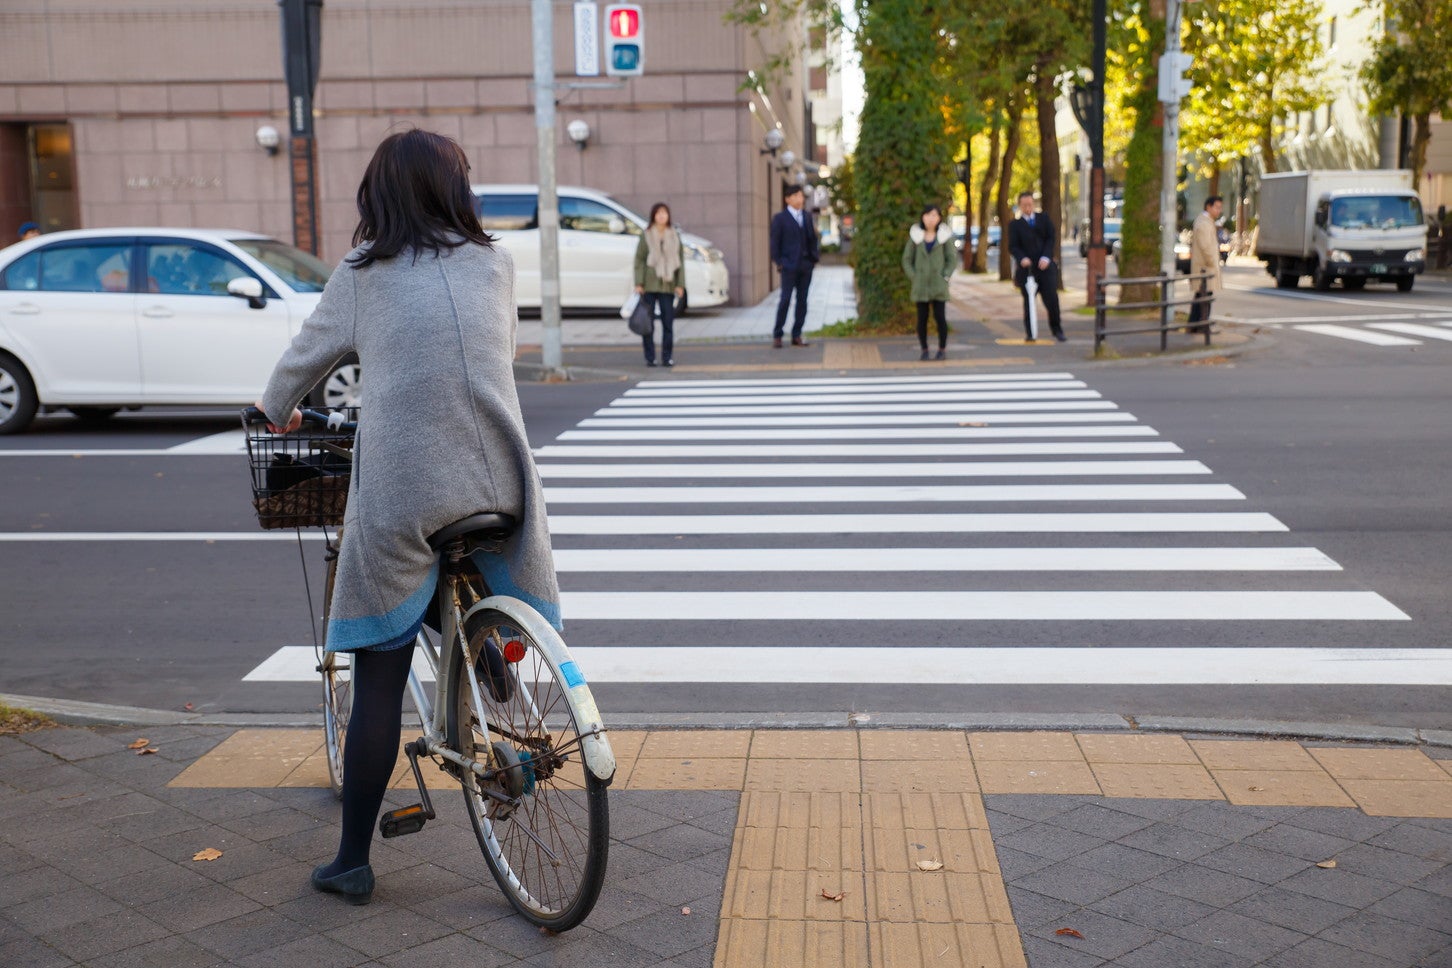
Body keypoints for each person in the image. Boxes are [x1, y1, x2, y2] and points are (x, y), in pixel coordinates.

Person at [257, 129, 561, 906]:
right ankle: (486, 646)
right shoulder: (496, 263)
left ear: (379, 198)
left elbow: (305, 359)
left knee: (378, 674)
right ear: (457, 191)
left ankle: (352, 861)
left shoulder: (364, 273)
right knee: (449, 553)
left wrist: (274, 407)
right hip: (500, 478)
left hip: (404, 489)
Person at [1007, 191, 1066, 342]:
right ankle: (1030, 332)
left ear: (1033, 204)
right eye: (1024, 205)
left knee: (1052, 299)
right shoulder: (1015, 225)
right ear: (1020, 206)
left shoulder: (1044, 219)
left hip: (1045, 268)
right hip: (1027, 270)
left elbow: (1051, 238)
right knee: (1028, 302)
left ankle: (1057, 329)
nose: (1028, 207)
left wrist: (1046, 257)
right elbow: (1013, 246)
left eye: (1030, 204)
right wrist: (1022, 258)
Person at [633, 202, 685, 367]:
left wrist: (680, 284)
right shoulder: (646, 235)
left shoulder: (674, 235)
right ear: (653, 216)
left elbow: (680, 262)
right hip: (649, 283)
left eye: (664, 213)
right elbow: (639, 259)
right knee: (648, 324)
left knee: (668, 322)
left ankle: (667, 357)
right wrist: (639, 282)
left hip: (668, 285)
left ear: (668, 216)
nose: (662, 216)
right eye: (658, 213)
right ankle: (650, 357)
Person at [901, 203, 955, 360]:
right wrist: (914, 276)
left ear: (939, 218)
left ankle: (942, 349)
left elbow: (951, 259)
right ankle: (924, 349)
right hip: (921, 285)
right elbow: (906, 259)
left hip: (939, 285)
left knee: (940, 318)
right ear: (922, 217)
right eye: (928, 215)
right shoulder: (916, 237)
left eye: (934, 215)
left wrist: (945, 275)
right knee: (922, 319)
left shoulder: (944, 237)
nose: (931, 219)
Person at [769, 183, 819, 348]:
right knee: (785, 300)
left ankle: (796, 334)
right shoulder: (780, 219)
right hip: (789, 267)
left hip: (805, 266)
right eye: (797, 195)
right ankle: (778, 334)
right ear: (788, 199)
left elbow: (812, 240)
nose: (801, 198)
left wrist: (813, 260)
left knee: (802, 301)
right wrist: (780, 262)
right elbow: (774, 244)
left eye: (801, 195)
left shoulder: (806, 216)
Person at [1189, 195, 1224, 326]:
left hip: (1205, 266)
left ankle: (1197, 324)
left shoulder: (1205, 221)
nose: (1219, 211)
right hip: (1205, 267)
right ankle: (1198, 324)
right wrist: (1211, 262)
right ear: (1208, 207)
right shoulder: (1203, 223)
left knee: (1203, 296)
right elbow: (1205, 246)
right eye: (1217, 207)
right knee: (1203, 296)